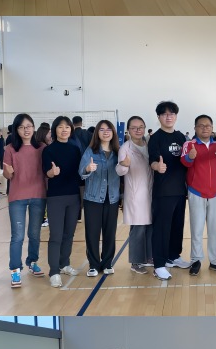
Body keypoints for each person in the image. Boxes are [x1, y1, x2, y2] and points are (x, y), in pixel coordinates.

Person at [148, 101, 192, 280]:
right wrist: (157, 166)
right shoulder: (156, 138)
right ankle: (159, 264)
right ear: (159, 117)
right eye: (165, 114)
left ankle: (173, 256)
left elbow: (187, 160)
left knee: (177, 226)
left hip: (180, 189)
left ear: (176, 116)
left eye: (172, 114)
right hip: (163, 190)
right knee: (162, 228)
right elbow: (152, 160)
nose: (168, 117)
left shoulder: (181, 137)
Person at [181, 114, 216, 276]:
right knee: (197, 228)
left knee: (214, 229)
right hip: (196, 192)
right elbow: (184, 162)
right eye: (201, 125)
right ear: (195, 128)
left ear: (212, 128)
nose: (205, 128)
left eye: (208, 125)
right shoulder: (189, 144)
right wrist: (190, 157)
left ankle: (215, 261)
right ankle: (196, 260)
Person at [3, 113, 47, 288]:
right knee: (18, 236)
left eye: (28, 126)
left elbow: (47, 172)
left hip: (38, 195)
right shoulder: (10, 148)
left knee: (35, 233)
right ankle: (15, 269)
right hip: (17, 197)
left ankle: (32, 262)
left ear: (33, 128)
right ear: (16, 130)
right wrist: (8, 172)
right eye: (21, 127)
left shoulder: (42, 148)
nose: (26, 130)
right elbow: (7, 175)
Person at [43, 114, 84, 287]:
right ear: (55, 130)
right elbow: (47, 172)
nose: (64, 130)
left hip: (73, 196)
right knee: (56, 236)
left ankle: (64, 263)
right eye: (60, 127)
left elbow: (80, 174)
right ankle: (54, 272)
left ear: (71, 130)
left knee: (69, 234)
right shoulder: (48, 150)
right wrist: (52, 173)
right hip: (56, 197)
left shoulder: (75, 149)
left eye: (67, 127)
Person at [80, 119, 122, 277]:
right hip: (93, 198)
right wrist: (88, 168)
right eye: (102, 129)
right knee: (92, 233)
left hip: (112, 198)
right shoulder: (90, 151)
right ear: (97, 133)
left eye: (109, 129)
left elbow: (123, 174)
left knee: (110, 232)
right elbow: (81, 172)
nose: (106, 132)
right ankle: (93, 265)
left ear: (113, 133)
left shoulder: (119, 152)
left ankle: (107, 263)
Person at [117, 115, 154, 273]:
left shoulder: (149, 145)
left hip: (150, 192)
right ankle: (136, 262)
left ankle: (149, 257)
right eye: (134, 128)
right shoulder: (125, 148)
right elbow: (119, 171)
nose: (138, 130)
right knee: (138, 228)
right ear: (128, 130)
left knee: (150, 226)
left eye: (141, 127)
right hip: (136, 194)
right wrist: (124, 165)